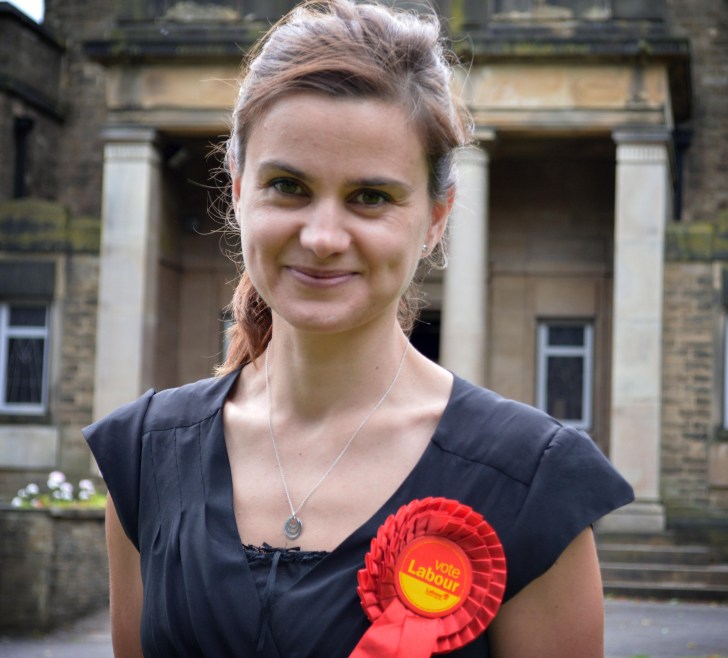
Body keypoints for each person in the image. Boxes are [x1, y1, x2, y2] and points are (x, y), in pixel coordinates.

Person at [84, 1, 634, 656]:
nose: (321, 237)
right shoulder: (145, 456)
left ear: (436, 218)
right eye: (287, 185)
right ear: (237, 191)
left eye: (370, 196)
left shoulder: (532, 482)